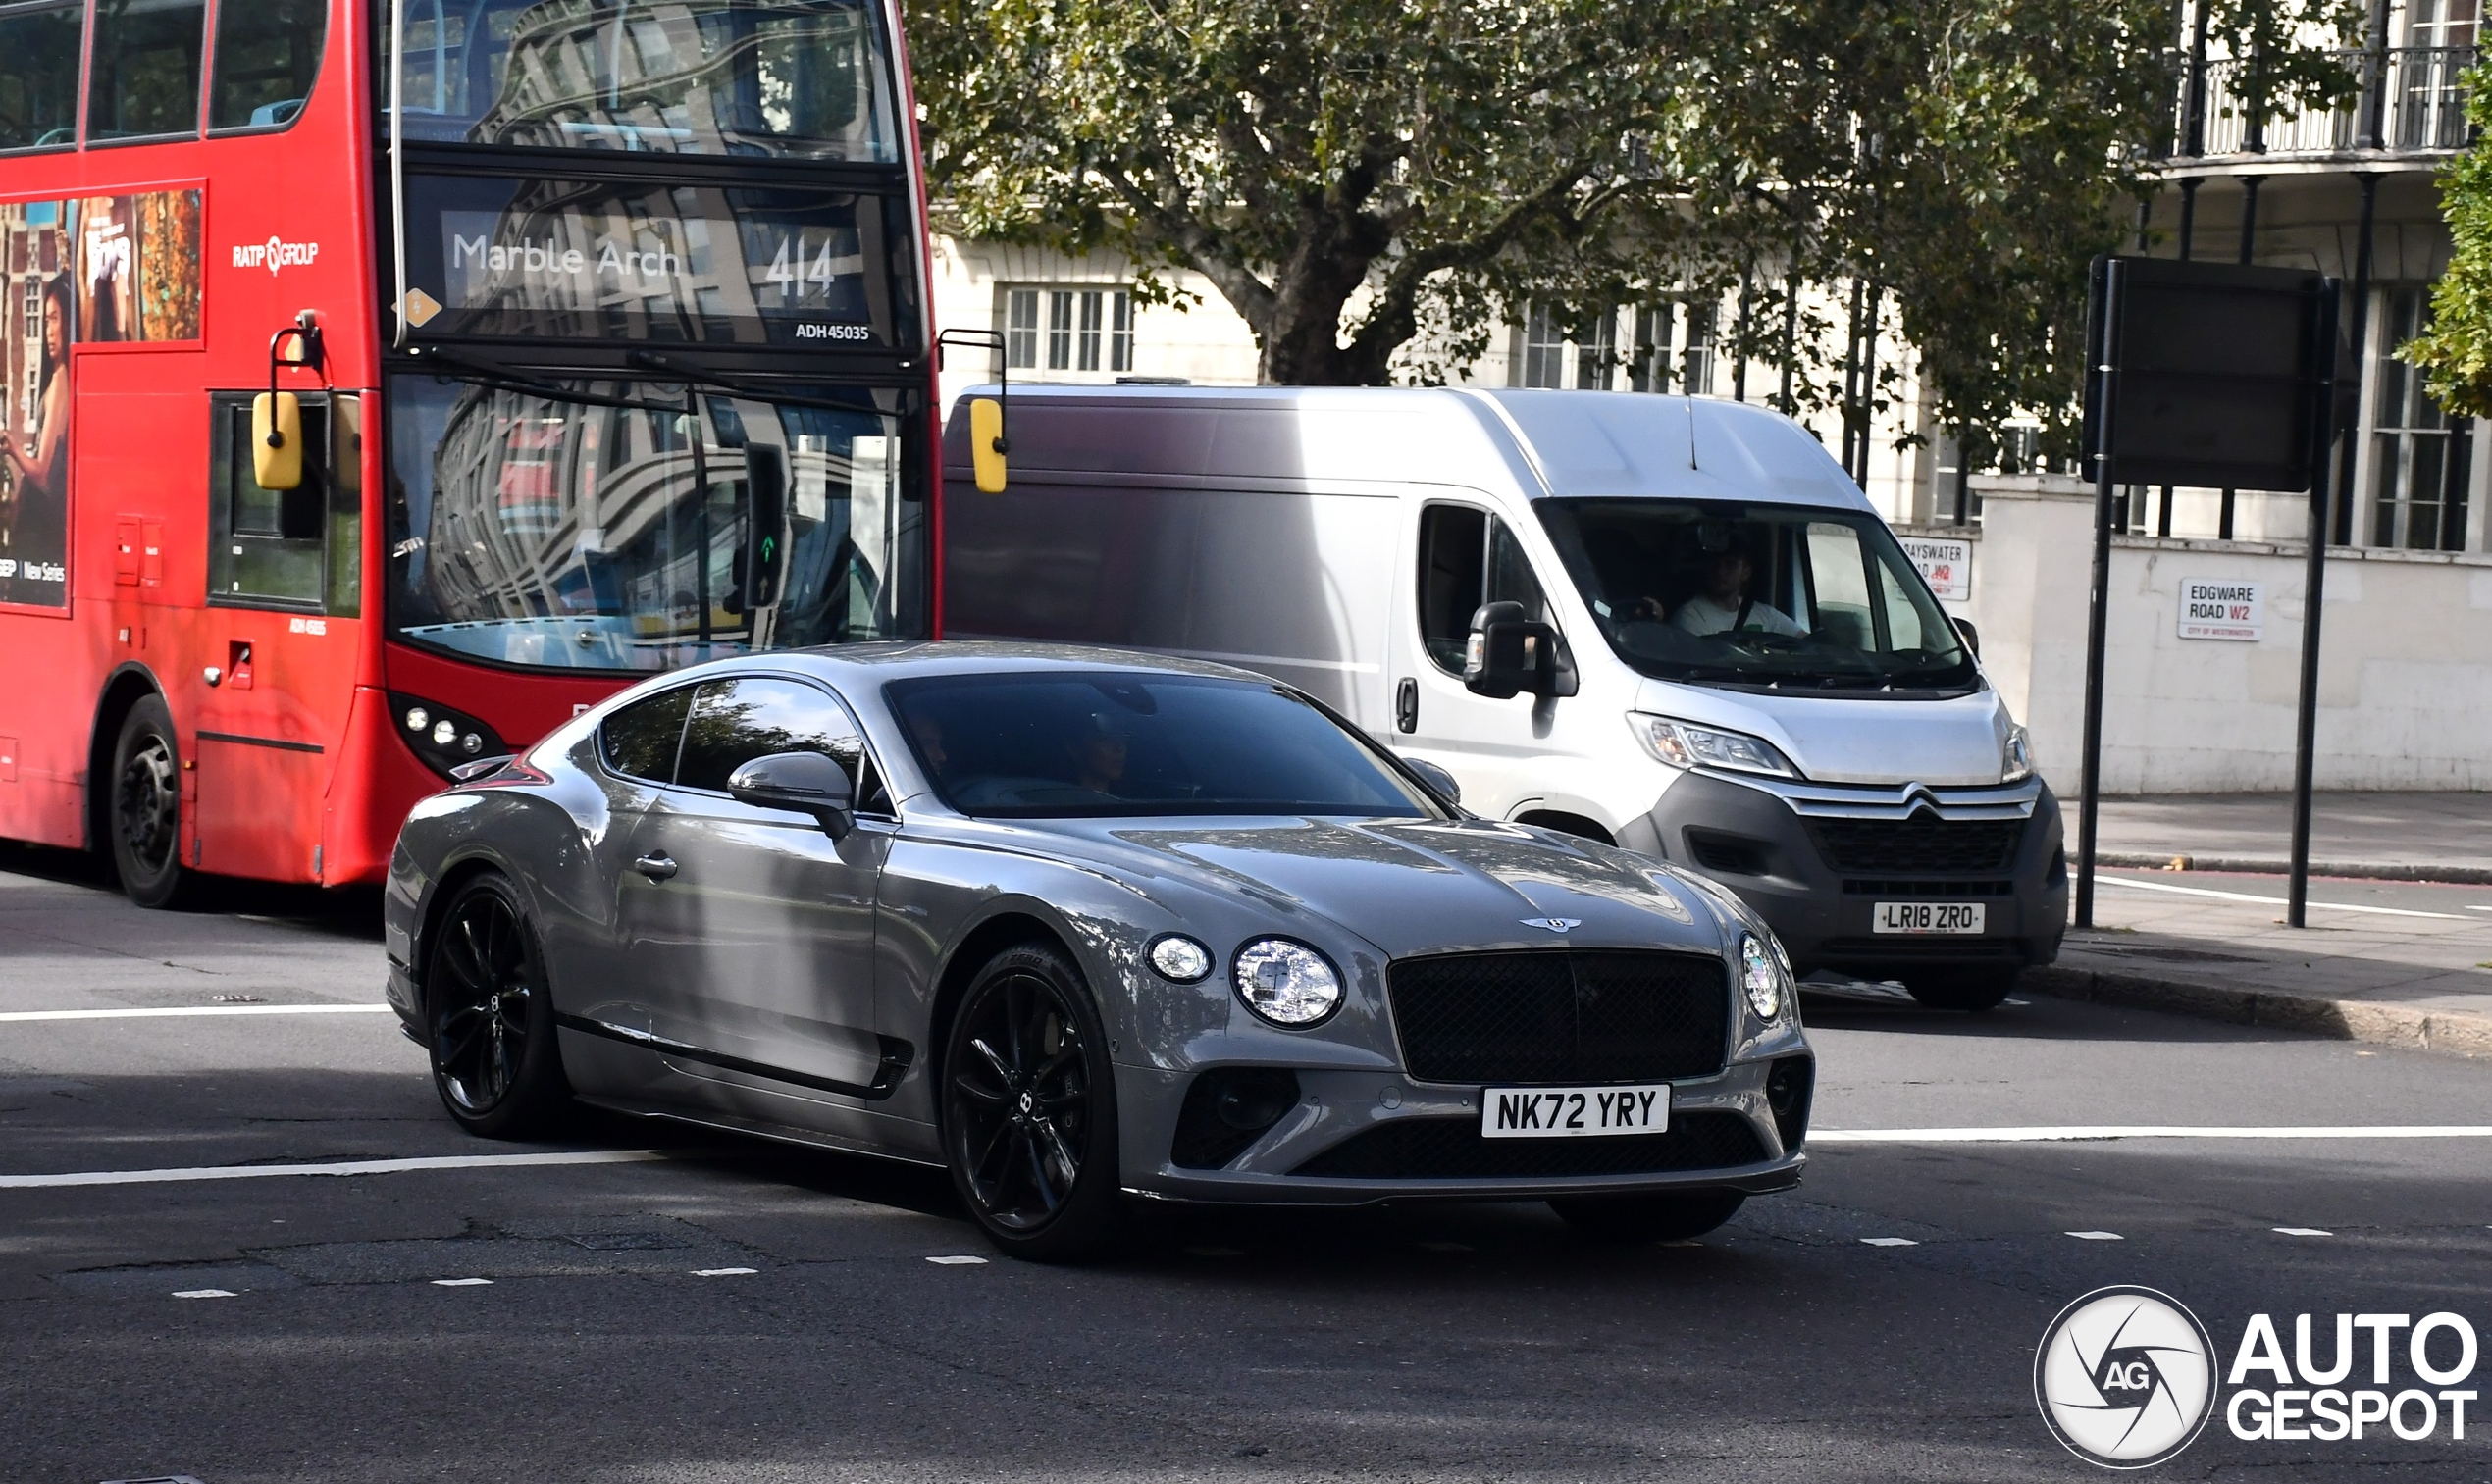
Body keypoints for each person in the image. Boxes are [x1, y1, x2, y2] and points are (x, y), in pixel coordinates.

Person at [1, 278, 72, 555]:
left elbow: (43, 474)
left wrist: (12, 448)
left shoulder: (62, 381)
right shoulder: (57, 378)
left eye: (55, 319)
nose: (49, 331)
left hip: (40, 525)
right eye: (45, 321)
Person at [1668, 546, 1802, 638]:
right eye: (1715, 564)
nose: (1720, 572)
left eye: (1730, 564)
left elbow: (1806, 641)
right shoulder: (1691, 615)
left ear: (1746, 572)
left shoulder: (1765, 614)